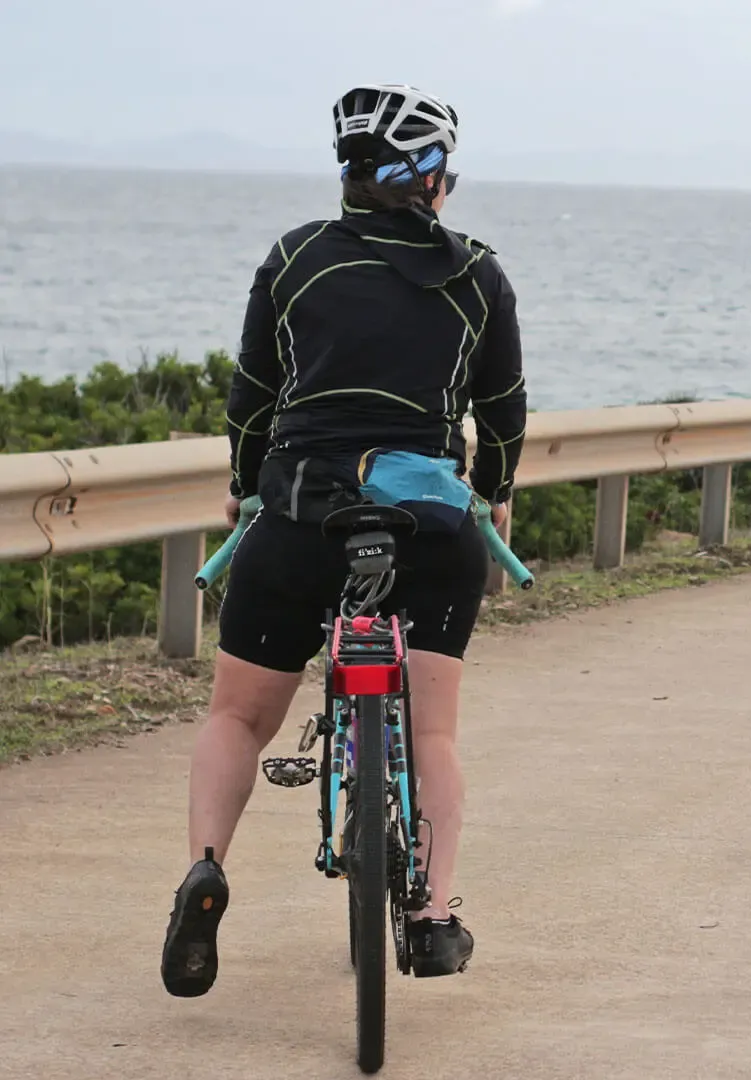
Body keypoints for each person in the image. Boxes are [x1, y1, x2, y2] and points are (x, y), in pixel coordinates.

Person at [161, 83, 526, 996]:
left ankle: (205, 869)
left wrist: (248, 489)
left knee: (237, 717)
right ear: (431, 177)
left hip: (299, 520)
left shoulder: (296, 258)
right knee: (432, 730)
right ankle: (432, 919)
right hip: (430, 531)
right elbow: (503, 414)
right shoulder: (479, 276)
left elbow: (252, 399)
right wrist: (493, 495)